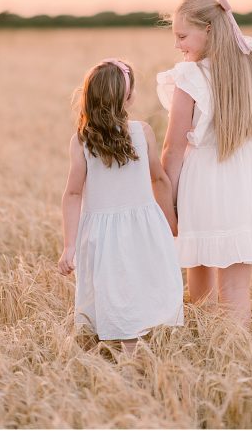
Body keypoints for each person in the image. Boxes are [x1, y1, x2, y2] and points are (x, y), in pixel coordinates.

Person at [158, 0, 252, 324]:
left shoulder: (189, 76)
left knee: (199, 264)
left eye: (182, 36)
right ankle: (238, 355)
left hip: (205, 177)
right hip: (248, 175)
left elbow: (173, 148)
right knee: (237, 287)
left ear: (209, 30)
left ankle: (205, 347)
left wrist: (167, 202)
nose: (177, 45)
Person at [59, 58, 183, 350]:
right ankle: (133, 353)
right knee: (142, 285)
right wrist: (171, 222)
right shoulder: (142, 133)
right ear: (128, 97)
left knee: (110, 291)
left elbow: (73, 194)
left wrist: (69, 245)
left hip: (101, 235)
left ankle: (114, 352)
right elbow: (160, 180)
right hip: (144, 228)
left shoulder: (81, 141)